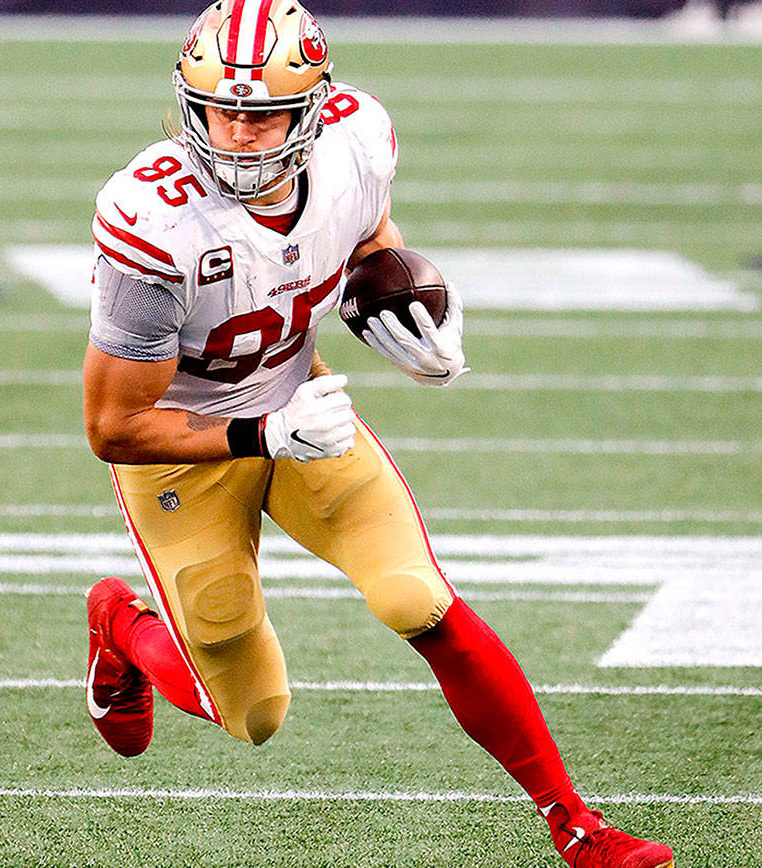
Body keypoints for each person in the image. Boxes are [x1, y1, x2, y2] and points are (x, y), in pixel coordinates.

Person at [80, 4, 674, 867]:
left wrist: (410, 311)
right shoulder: (153, 218)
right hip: (186, 448)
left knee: (415, 599)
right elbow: (115, 426)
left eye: (263, 115)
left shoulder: (354, 145)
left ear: (313, 111)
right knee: (251, 714)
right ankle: (121, 624)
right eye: (220, 110)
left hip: (301, 407)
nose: (238, 134)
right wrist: (264, 433)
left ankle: (576, 825)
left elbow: (369, 244)